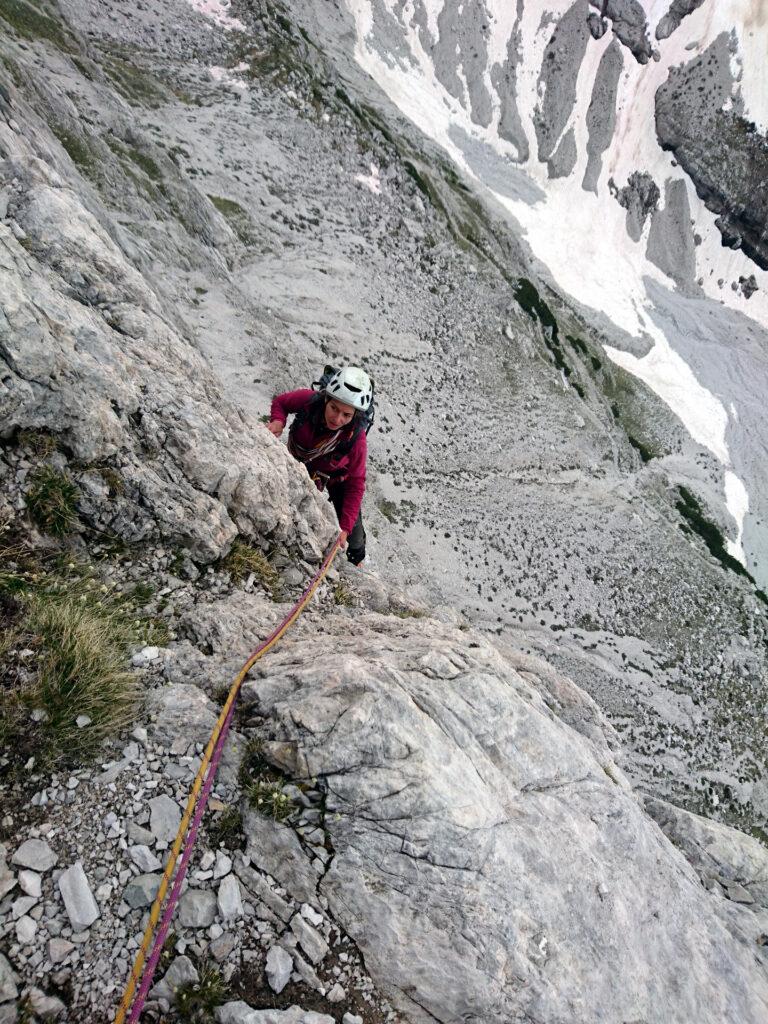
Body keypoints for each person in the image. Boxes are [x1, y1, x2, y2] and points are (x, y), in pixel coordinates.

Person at [266, 366, 372, 565]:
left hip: (337, 479)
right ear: (326, 399)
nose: (337, 418)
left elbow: (356, 483)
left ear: (355, 415)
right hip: (298, 464)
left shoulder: (356, 439)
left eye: (346, 415)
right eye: (334, 408)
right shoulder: (309, 401)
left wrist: (345, 528)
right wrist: (278, 421)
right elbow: (281, 402)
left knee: (355, 540)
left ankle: (356, 563)